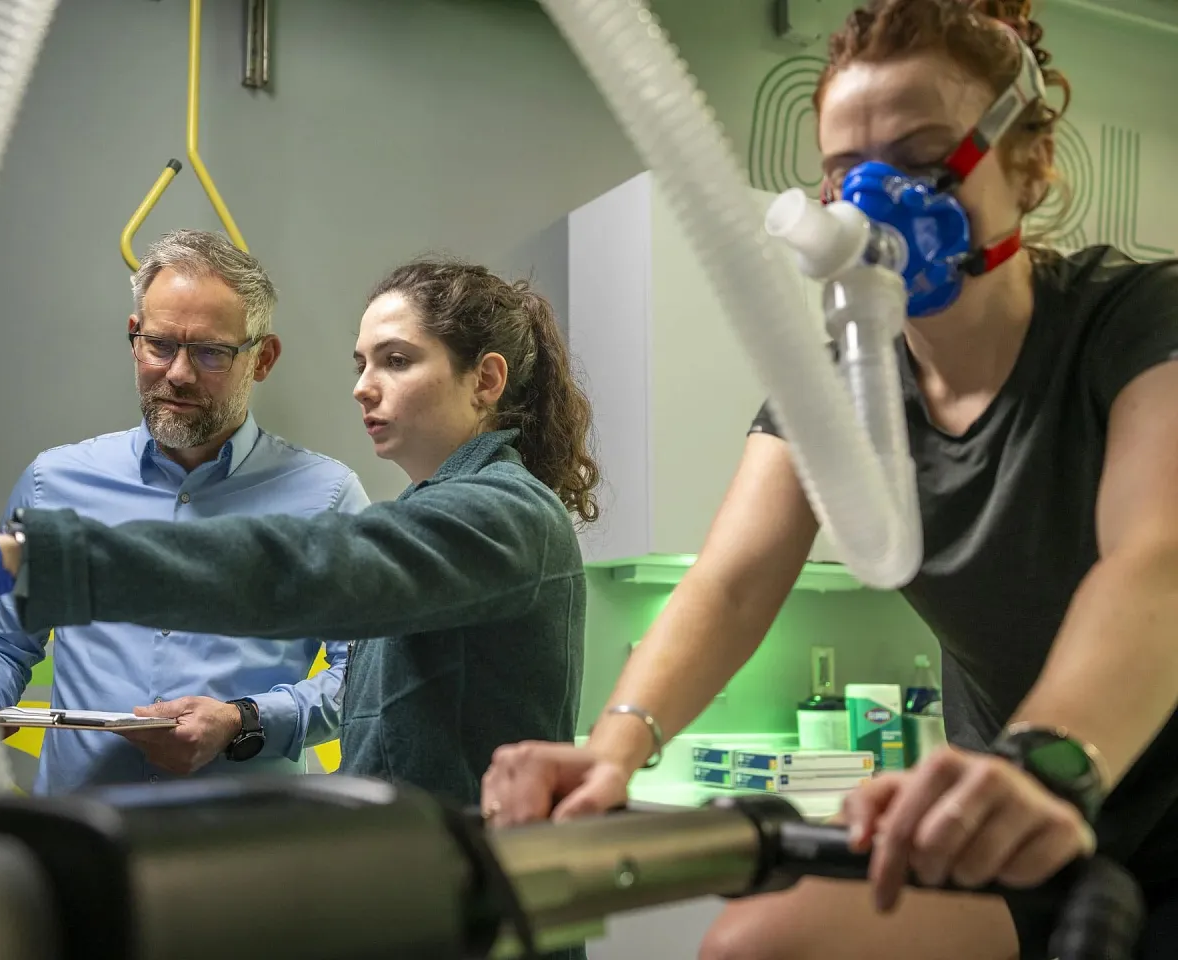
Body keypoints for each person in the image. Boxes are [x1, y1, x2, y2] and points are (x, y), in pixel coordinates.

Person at [478, 2, 1178, 958]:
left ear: (1029, 165)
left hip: (1058, 783)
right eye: (849, 174)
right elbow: (728, 584)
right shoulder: (843, 383)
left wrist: (1050, 761)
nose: (879, 199)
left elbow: (1157, 562)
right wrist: (610, 754)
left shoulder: (1136, 323)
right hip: (1001, 831)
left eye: (922, 156)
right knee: (758, 945)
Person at [0, 255, 597, 813]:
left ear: (485, 380)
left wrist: (31, 554)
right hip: (387, 869)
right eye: (362, 361)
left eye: (395, 360)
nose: (361, 385)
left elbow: (302, 569)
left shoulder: (497, 514)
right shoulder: (448, 506)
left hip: (430, 883)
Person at [0, 229, 370, 795]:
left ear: (263, 359)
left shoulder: (326, 497)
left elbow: (362, 677)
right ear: (134, 337)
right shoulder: (53, 481)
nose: (178, 373)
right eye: (160, 344)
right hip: (80, 832)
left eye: (210, 352)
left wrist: (244, 720)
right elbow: (2, 641)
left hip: (237, 842)